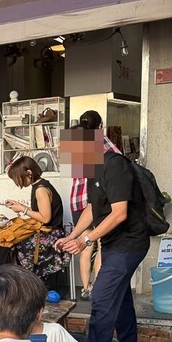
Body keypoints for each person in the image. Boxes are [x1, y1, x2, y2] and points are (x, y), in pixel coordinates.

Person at [56, 126, 148, 342]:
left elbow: (120, 213)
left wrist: (86, 240)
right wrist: (72, 236)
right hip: (113, 244)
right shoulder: (93, 171)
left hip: (129, 243)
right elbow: (91, 208)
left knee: (101, 298)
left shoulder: (115, 165)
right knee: (120, 296)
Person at [0, 155, 70, 292]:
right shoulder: (39, 186)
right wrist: (20, 206)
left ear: (29, 173)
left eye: (18, 178)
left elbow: (45, 218)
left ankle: (7, 288)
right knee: (7, 241)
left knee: (8, 245)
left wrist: (23, 209)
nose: (17, 182)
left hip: (51, 235)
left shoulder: (41, 190)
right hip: (46, 232)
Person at [70, 111, 119, 300]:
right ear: (100, 126)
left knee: (85, 244)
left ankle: (85, 288)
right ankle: (99, 289)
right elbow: (118, 160)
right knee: (101, 243)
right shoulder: (101, 141)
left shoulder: (74, 141)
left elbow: (73, 171)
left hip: (76, 200)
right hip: (96, 201)